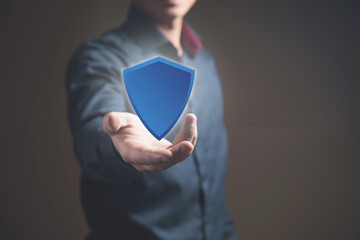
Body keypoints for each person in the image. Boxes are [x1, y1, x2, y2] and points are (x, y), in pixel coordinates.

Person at [66, 0, 239, 239]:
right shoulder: (100, 57)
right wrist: (117, 145)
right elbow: (94, 128)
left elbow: (214, 199)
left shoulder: (205, 63)